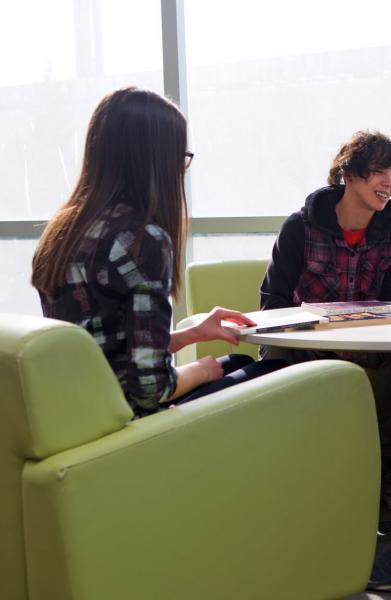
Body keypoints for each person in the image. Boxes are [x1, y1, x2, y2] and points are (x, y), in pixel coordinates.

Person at [32, 87, 285, 417]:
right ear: (155, 161)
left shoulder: (62, 232)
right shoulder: (143, 241)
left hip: (82, 410)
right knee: (268, 371)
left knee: (238, 362)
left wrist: (192, 335)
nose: (181, 169)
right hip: (129, 423)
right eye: (180, 159)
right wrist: (201, 371)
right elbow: (151, 390)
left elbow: (108, 348)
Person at [259, 130, 391, 511]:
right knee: (276, 353)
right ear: (349, 176)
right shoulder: (300, 226)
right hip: (306, 341)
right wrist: (317, 334)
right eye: (380, 172)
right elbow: (273, 302)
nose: (389, 183)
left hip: (370, 340)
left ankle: (387, 466)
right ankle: (294, 466)